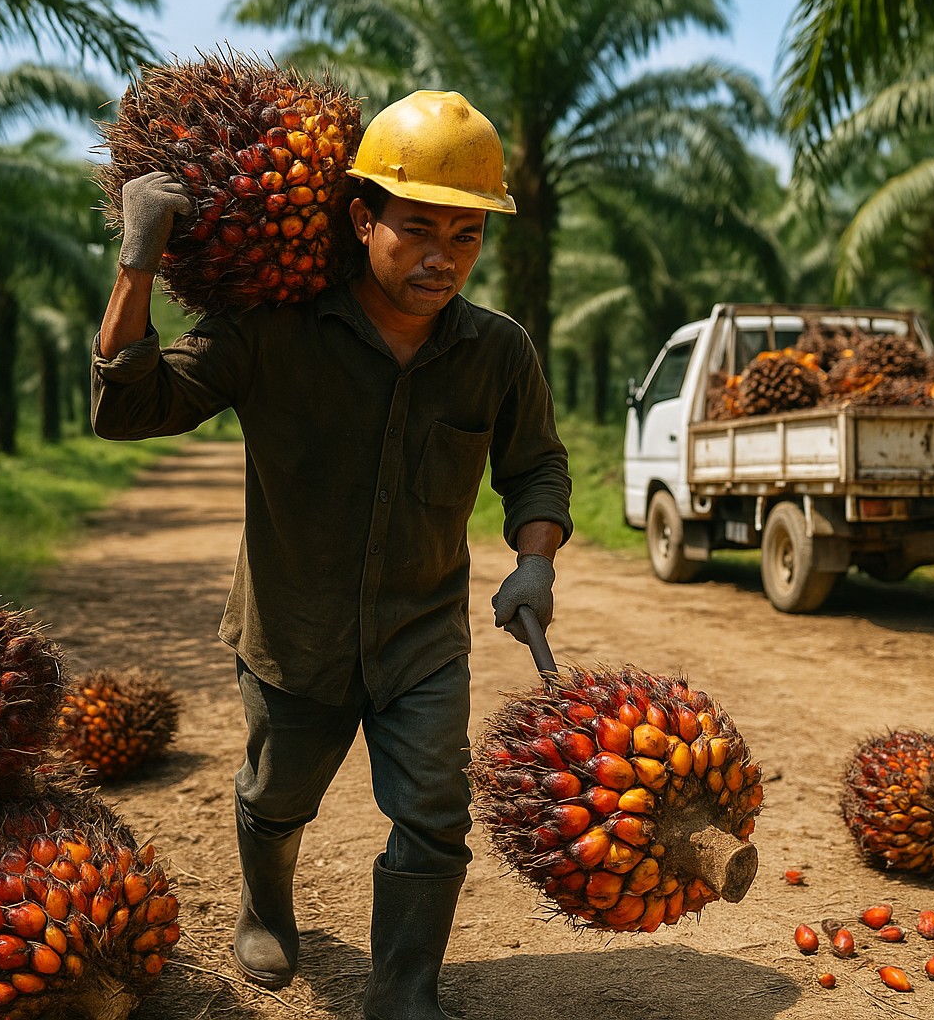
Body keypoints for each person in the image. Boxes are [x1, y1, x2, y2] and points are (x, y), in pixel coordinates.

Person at [90, 89, 572, 1020]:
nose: (442, 258)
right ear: (362, 219)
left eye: (466, 236)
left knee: (434, 816)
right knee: (275, 799)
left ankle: (404, 992)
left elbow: (537, 467)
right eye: (417, 230)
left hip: (421, 637)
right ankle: (266, 902)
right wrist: (137, 256)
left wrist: (536, 558)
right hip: (292, 633)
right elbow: (126, 408)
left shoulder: (496, 351)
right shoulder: (271, 330)